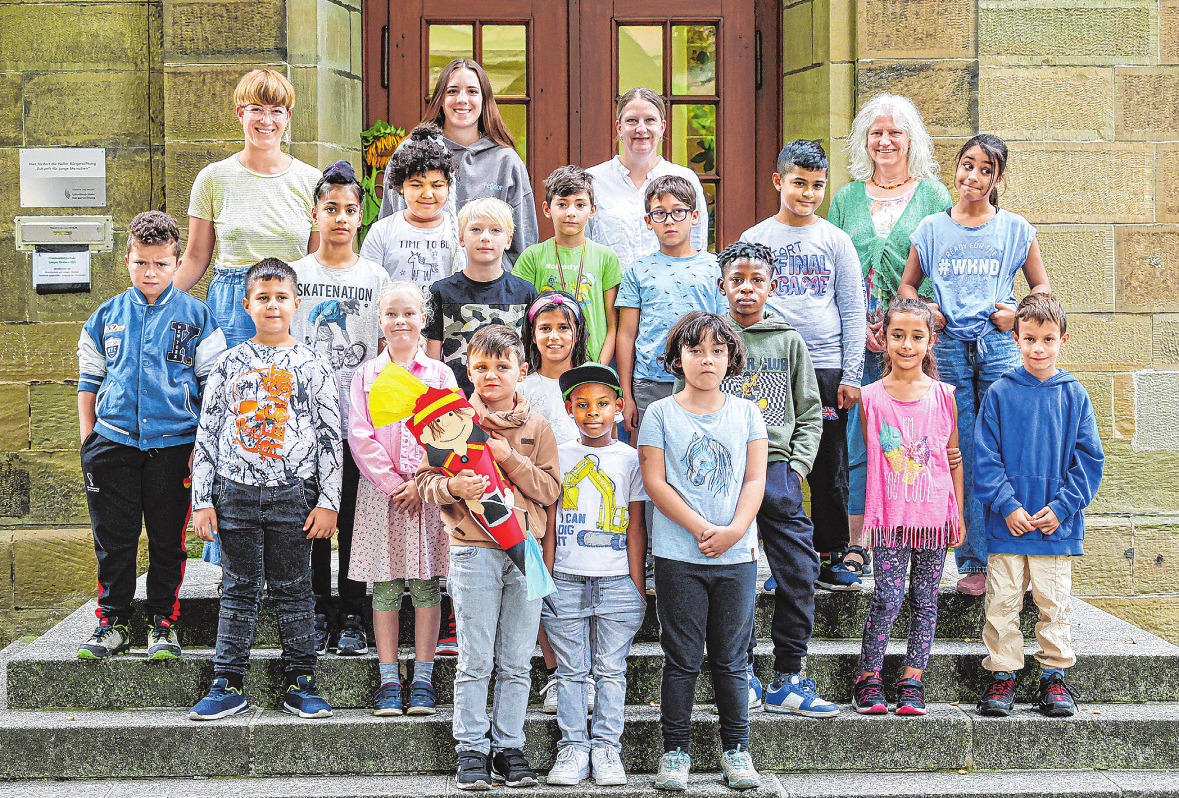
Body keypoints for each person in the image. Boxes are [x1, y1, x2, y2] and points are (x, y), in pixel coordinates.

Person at [175, 68, 321, 567]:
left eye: (276, 110)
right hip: (230, 309)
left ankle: (286, 552)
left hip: (289, 305)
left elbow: (319, 262)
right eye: (256, 109)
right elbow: (195, 258)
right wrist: (154, 307)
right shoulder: (213, 178)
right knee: (230, 426)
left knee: (288, 424)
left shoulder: (309, 181)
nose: (266, 119)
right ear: (240, 113)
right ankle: (226, 559)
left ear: (288, 116)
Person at [188, 258, 341, 721]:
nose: (272, 305)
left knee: (295, 590)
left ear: (296, 302)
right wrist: (202, 500)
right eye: (262, 297)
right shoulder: (228, 364)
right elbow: (208, 431)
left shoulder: (313, 363)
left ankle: (302, 680)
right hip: (234, 492)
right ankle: (227, 681)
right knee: (238, 588)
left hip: (293, 494)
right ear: (246, 303)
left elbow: (332, 435)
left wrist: (329, 501)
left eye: (280, 297)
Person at [900, 133, 1052, 596]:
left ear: (998, 178)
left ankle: (1017, 557)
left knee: (1010, 447)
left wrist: (1017, 315)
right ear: (956, 168)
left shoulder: (1016, 229)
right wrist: (928, 313)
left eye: (987, 170)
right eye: (969, 165)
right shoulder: (930, 229)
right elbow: (908, 288)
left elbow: (1042, 290)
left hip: (999, 347)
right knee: (959, 450)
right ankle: (972, 559)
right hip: (947, 349)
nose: (975, 176)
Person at [414, 324, 561, 790]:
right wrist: (452, 487)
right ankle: (471, 750)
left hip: (524, 552)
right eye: (481, 367)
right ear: (468, 372)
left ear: (522, 371)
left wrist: (509, 459)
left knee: (517, 660)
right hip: (473, 552)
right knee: (475, 658)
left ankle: (509, 747)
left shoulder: (537, 426)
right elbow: (424, 481)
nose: (492, 375)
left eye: (502, 367)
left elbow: (551, 489)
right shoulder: (450, 420)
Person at [75, 211, 227, 660]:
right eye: (142, 262)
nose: (151, 272)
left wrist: (202, 451)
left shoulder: (198, 317)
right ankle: (112, 622)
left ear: (178, 263)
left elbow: (213, 390)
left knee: (167, 541)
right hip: (113, 445)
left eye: (161, 263)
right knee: (114, 540)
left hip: (174, 447)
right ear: (127, 260)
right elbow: (88, 383)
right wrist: (90, 443)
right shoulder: (105, 317)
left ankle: (163, 623)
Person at [639, 311, 766, 792]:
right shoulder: (660, 414)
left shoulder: (747, 413)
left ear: (730, 357)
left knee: (733, 660)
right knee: (682, 658)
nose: (706, 359)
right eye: (695, 350)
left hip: (737, 558)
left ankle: (737, 750)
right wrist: (700, 527)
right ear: (677, 359)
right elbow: (655, 480)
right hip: (679, 556)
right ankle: (675, 753)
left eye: (716, 350)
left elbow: (755, 479)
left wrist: (734, 530)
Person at [828, 93, 953, 579]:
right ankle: (861, 539)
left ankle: (911, 531)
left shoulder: (934, 196)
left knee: (913, 442)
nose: (884, 140)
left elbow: (942, 268)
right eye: (876, 132)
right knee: (859, 443)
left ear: (910, 140)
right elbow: (833, 266)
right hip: (858, 339)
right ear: (864, 139)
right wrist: (859, 326)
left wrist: (919, 320)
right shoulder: (844, 197)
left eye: (894, 132)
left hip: (912, 340)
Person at [739, 139, 867, 592]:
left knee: (828, 464)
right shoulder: (755, 239)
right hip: (770, 367)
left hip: (826, 365)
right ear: (778, 181)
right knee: (775, 464)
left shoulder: (836, 240)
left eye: (816, 185)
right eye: (798, 183)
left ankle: (831, 555)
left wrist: (852, 375)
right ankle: (784, 563)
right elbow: (741, 305)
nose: (808, 193)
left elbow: (853, 309)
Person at [711, 242, 832, 718]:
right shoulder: (708, 338)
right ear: (723, 285)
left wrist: (797, 468)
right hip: (723, 472)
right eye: (737, 279)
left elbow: (809, 413)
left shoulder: (788, 341)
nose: (746, 288)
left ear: (771, 286)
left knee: (800, 570)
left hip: (778, 469)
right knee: (733, 573)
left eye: (756, 280)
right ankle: (742, 670)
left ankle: (788, 675)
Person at [974, 293, 1104, 718]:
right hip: (1008, 523)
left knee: (1054, 603)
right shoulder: (999, 392)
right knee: (1002, 603)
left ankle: (1054, 677)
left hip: (1054, 526)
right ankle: (1003, 674)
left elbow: (1088, 460)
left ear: (1063, 340)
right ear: (1016, 338)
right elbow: (985, 457)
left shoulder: (1074, 395)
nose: (1038, 348)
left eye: (1048, 339)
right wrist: (1007, 505)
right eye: (1030, 338)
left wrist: (1064, 507)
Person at [289, 161, 390, 658]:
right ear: (315, 213)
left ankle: (352, 611)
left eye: (350, 210)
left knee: (351, 515)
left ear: (361, 217)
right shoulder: (297, 275)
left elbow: (383, 346)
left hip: (356, 416)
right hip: (306, 415)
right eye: (331, 208)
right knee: (311, 513)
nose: (341, 218)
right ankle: (312, 606)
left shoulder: (375, 276)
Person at [852, 297, 965, 716]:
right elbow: (872, 461)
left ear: (931, 341)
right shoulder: (870, 398)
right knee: (886, 596)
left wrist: (958, 514)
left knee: (925, 598)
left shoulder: (944, 396)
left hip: (933, 519)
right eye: (897, 335)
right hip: (890, 519)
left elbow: (953, 458)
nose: (906, 345)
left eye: (916, 337)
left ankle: (912, 680)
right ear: (882, 338)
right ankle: (868, 678)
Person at [349, 281, 457, 716]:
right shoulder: (366, 375)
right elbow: (360, 434)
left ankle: (425, 677)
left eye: (409, 313)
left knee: (428, 582)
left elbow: (452, 431)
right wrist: (394, 483)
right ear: (380, 320)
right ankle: (389, 678)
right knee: (387, 585)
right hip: (384, 497)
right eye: (392, 313)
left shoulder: (440, 374)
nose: (400, 321)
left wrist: (422, 479)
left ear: (423, 319)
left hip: (429, 494)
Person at [541, 363, 647, 787]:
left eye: (602, 404)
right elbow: (549, 521)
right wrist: (546, 577)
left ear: (619, 408)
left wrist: (637, 587)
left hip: (617, 581)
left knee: (610, 670)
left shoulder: (630, 459)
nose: (592, 412)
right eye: (582, 404)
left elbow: (636, 527)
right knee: (569, 672)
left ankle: (607, 748)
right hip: (565, 579)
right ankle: (573, 747)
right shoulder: (560, 456)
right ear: (568, 409)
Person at [379, 59, 538, 265]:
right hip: (418, 280)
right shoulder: (410, 152)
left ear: (485, 100)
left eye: (472, 91)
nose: (462, 99)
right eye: (452, 91)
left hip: (487, 291)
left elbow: (523, 248)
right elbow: (387, 226)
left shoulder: (507, 162)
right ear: (440, 99)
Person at [520, 291, 591, 712]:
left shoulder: (590, 379)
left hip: (585, 499)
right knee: (544, 580)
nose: (554, 336)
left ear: (577, 332)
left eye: (563, 327)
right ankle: (554, 673)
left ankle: (584, 673)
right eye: (545, 328)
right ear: (532, 333)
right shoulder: (524, 386)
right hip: (537, 495)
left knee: (581, 582)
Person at [616, 175, 723, 438]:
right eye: (660, 214)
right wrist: (627, 395)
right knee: (648, 458)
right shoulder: (637, 271)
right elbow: (627, 334)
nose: (670, 220)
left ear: (694, 216)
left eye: (678, 212)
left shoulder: (714, 267)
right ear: (649, 221)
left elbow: (725, 329)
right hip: (649, 383)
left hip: (701, 380)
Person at [425, 197, 538, 398]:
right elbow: (432, 362)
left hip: (508, 406)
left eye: (495, 230)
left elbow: (530, 356)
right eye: (476, 229)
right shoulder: (441, 292)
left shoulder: (524, 293)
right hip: (456, 406)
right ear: (461, 237)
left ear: (508, 240)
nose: (485, 237)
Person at [587, 87, 710, 268]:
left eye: (650, 120)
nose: (641, 128)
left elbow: (698, 251)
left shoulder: (685, 179)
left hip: (671, 293)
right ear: (619, 128)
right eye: (632, 120)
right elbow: (582, 250)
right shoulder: (593, 181)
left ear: (662, 127)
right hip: (611, 294)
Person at [513, 166, 621, 364]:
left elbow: (613, 325)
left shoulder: (606, 257)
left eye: (580, 205)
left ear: (592, 210)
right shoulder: (532, 257)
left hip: (592, 365)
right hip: (543, 366)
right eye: (562, 204)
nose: (571, 212)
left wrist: (599, 368)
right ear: (547, 209)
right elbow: (521, 320)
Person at [361, 123, 464, 290]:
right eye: (417, 185)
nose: (427, 194)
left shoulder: (462, 230)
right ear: (401, 187)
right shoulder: (382, 232)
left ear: (448, 187)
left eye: (437, 185)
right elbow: (368, 286)